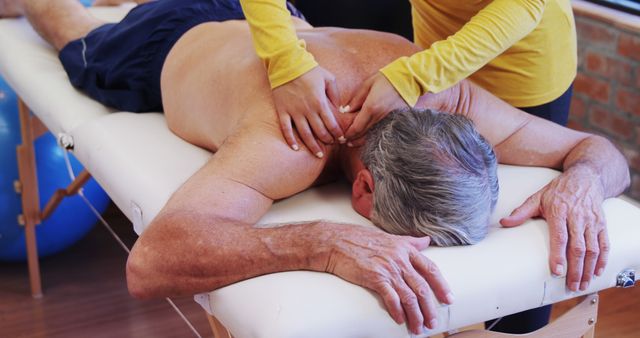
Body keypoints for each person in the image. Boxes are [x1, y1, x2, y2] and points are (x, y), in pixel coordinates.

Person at [4, 0, 629, 334]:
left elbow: (597, 152)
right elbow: (149, 264)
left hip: (282, 20)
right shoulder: (291, 144)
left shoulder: (444, 97)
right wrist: (323, 245)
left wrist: (579, 182)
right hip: (171, 39)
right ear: (362, 189)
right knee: (77, 29)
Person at [240, 0, 577, 332]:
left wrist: (419, 75)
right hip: (436, 50)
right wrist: (285, 62)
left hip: (517, 65)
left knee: (519, 307)